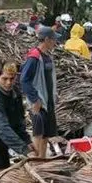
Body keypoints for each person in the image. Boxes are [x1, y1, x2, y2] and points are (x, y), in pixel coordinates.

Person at [21, 27, 58, 159]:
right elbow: (24, 80)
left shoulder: (48, 57)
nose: (55, 42)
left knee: (46, 133)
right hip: (39, 101)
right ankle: (36, 162)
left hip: (48, 101)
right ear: (47, 39)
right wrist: (34, 99)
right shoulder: (34, 57)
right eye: (53, 40)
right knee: (38, 133)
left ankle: (42, 159)